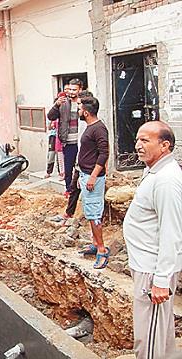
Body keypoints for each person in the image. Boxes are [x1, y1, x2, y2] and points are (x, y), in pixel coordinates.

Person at [123, 121, 182, 358]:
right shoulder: (154, 171)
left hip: (153, 271)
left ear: (165, 145)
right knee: (160, 335)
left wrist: (160, 279)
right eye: (138, 139)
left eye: (145, 140)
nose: (138, 145)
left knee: (148, 339)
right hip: (147, 267)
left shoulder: (167, 180)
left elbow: (172, 231)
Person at [75, 96, 109, 269]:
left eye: (80, 108)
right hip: (86, 175)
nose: (78, 111)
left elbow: (104, 154)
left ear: (86, 112)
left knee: (95, 214)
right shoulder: (91, 127)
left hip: (92, 177)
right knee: (90, 212)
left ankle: (102, 250)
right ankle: (95, 244)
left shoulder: (98, 129)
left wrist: (94, 177)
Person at [48, 78, 83, 197]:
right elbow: (50, 116)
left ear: (80, 90)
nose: (72, 92)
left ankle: (81, 189)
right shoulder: (62, 103)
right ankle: (69, 189)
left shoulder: (84, 103)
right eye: (70, 89)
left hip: (82, 141)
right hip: (68, 142)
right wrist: (56, 105)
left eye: (75, 90)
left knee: (82, 167)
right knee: (68, 169)